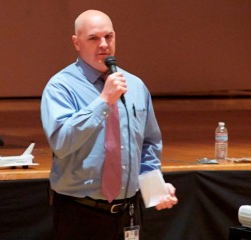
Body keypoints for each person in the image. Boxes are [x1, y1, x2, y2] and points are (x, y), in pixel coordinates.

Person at [41, 9, 178, 240]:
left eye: (109, 37)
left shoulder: (134, 85)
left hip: (129, 213)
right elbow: (62, 142)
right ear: (76, 42)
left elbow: (149, 143)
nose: (103, 44)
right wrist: (104, 101)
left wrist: (155, 187)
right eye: (94, 38)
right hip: (80, 213)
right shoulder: (60, 87)